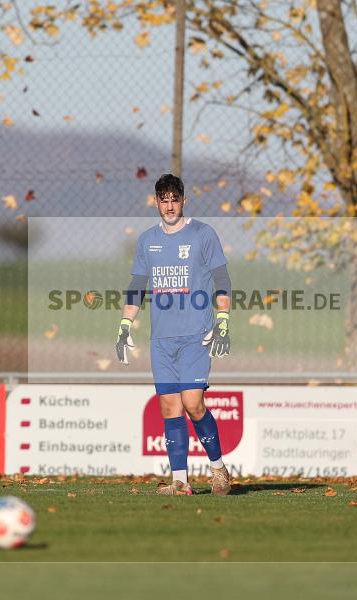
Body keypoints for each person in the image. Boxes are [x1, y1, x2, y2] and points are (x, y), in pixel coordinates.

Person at [116, 174, 232, 496]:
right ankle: (180, 482)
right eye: (163, 200)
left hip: (196, 334)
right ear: (156, 202)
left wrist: (223, 320)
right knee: (169, 408)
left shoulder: (203, 234)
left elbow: (222, 278)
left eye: (174, 200)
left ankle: (219, 469)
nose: (169, 206)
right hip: (162, 340)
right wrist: (125, 325)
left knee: (193, 403)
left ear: (184, 201)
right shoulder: (147, 240)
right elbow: (137, 285)